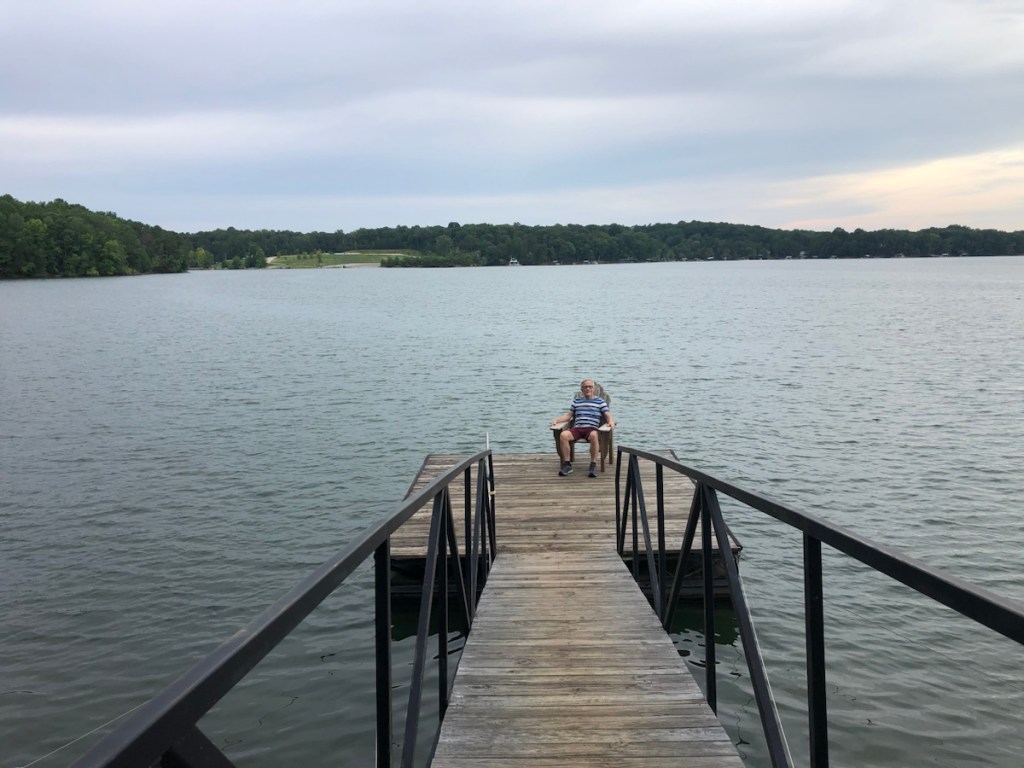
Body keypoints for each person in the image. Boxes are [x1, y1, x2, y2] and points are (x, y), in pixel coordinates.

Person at [550, 379, 615, 477]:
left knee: (594, 435)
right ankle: (567, 465)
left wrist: (611, 422)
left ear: (593, 389)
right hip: (577, 429)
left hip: (592, 429)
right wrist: (556, 420)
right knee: (563, 435)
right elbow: (568, 416)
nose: (588, 389)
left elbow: (607, 415)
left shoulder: (600, 401)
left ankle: (593, 465)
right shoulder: (577, 401)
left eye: (590, 387)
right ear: (582, 389)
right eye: (585, 387)